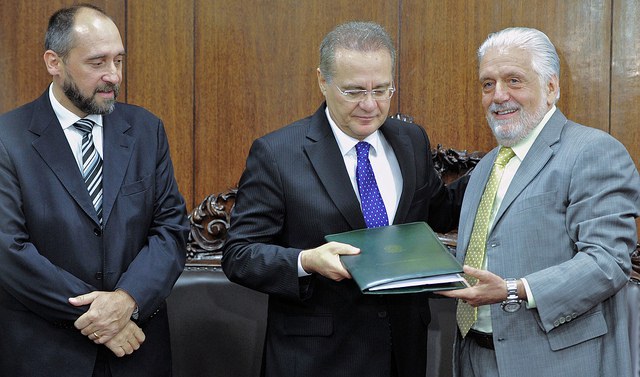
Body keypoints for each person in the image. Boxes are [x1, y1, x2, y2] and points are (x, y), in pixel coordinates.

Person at [222, 21, 466, 377]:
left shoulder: (411, 140)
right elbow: (239, 254)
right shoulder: (278, 153)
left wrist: (502, 160)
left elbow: (440, 211)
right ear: (323, 81)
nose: (370, 105)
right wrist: (307, 260)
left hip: (404, 352)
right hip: (317, 358)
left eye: (382, 90)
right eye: (353, 92)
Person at [438, 27, 640, 376]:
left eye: (514, 80)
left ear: (551, 87)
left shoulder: (592, 151)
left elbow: (608, 262)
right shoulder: (488, 165)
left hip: (555, 362)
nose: (498, 95)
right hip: (475, 357)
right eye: (488, 84)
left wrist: (514, 290)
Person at [0, 4, 188, 377]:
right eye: (97, 62)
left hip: (137, 350)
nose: (113, 76)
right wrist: (100, 316)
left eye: (119, 60)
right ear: (55, 62)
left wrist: (127, 300)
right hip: (46, 352)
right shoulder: (8, 138)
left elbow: (170, 229)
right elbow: (8, 249)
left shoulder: (146, 130)